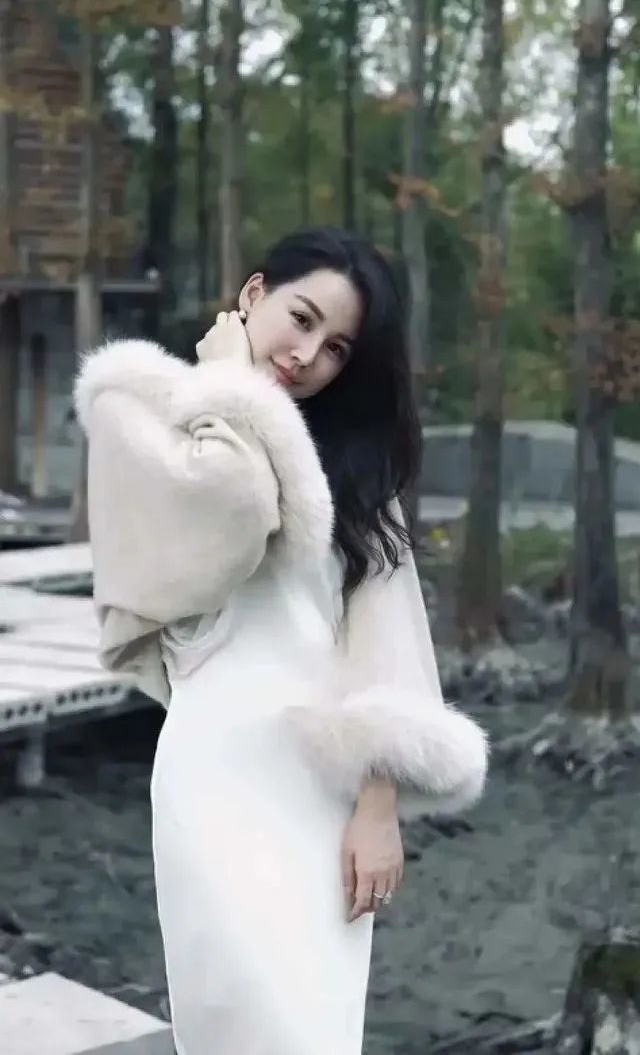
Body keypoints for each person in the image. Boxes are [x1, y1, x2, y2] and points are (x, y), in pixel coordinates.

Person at [74, 226, 488, 1055]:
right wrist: (231, 390)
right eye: (301, 319)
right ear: (254, 293)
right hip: (214, 777)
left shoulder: (353, 469)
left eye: (336, 348)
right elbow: (234, 514)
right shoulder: (141, 410)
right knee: (237, 1024)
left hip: (321, 796)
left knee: (312, 1031)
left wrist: (379, 807)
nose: (307, 356)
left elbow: (385, 639)